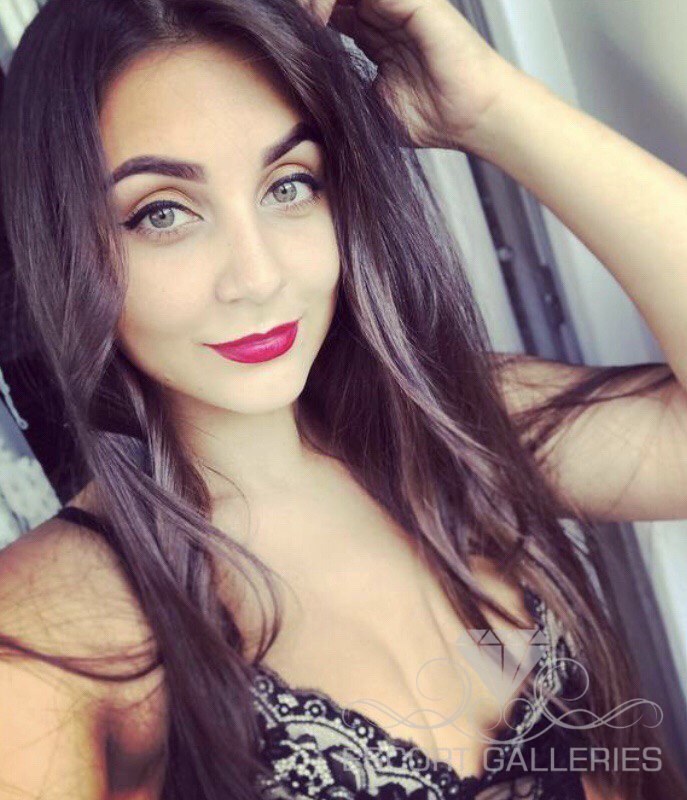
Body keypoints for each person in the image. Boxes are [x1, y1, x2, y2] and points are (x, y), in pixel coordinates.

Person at [0, 0, 686, 798]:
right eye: (162, 213)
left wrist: (488, 107)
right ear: (63, 243)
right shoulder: (53, 629)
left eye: (288, 185)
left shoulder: (452, 428)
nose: (259, 276)